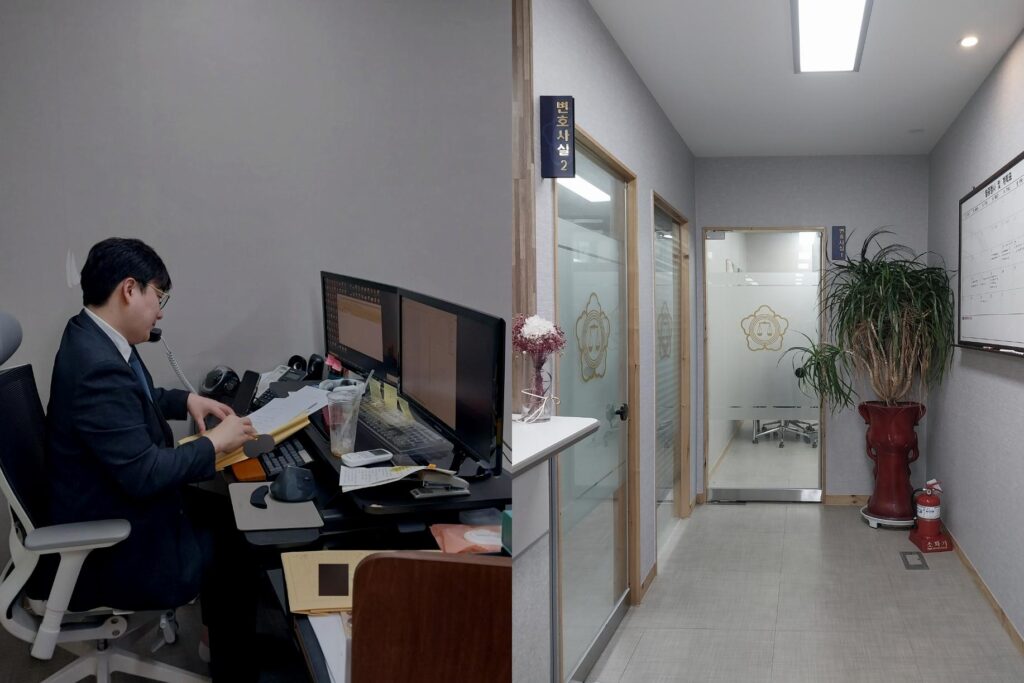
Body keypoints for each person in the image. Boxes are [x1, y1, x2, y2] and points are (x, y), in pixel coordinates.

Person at [44, 237, 257, 679]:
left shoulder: (90, 335)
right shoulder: (97, 366)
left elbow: (133, 402)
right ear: (129, 289)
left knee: (230, 515)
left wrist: (186, 400)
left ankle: (216, 641)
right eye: (159, 297)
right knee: (239, 541)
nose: (160, 313)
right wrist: (216, 443)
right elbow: (144, 473)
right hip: (114, 544)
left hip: (108, 500)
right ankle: (232, 665)